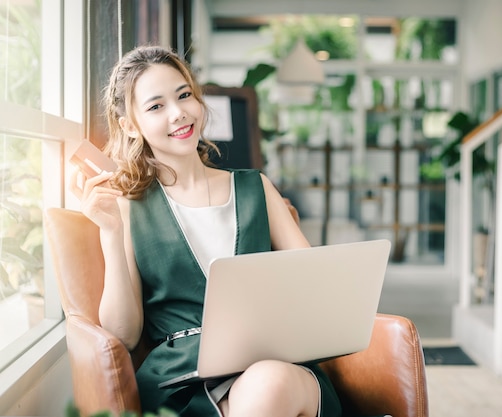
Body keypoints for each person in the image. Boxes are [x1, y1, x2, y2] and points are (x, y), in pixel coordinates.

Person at [71, 45, 342, 417]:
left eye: (184, 96)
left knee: (269, 382)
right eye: (156, 106)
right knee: (264, 390)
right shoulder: (128, 208)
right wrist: (111, 232)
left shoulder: (256, 187)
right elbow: (123, 334)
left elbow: (312, 281)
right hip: (185, 379)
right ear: (130, 126)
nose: (179, 113)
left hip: (275, 363)